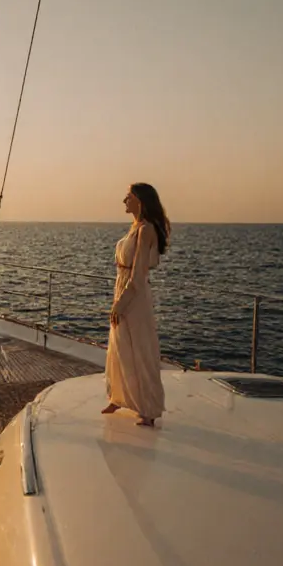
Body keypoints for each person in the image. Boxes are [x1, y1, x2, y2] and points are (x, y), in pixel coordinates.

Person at [102, 182, 170, 426]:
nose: (124, 201)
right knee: (119, 346)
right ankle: (118, 397)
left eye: (128, 197)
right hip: (121, 288)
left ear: (139, 201)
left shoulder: (147, 230)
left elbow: (139, 274)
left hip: (134, 295)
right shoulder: (135, 227)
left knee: (140, 348)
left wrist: (121, 303)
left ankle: (148, 409)